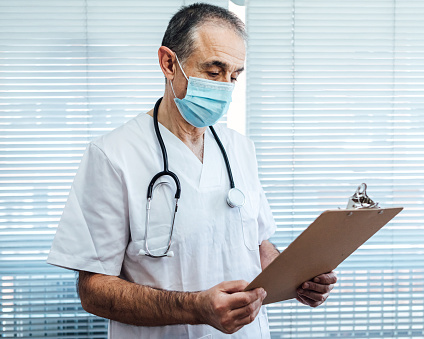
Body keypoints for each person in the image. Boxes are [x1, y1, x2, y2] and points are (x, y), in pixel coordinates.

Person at [47, 3, 337, 338]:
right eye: (214, 73)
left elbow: (258, 247)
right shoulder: (113, 155)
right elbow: (93, 290)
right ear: (168, 63)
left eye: (234, 75)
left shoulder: (240, 149)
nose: (225, 87)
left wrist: (299, 280)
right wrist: (195, 308)